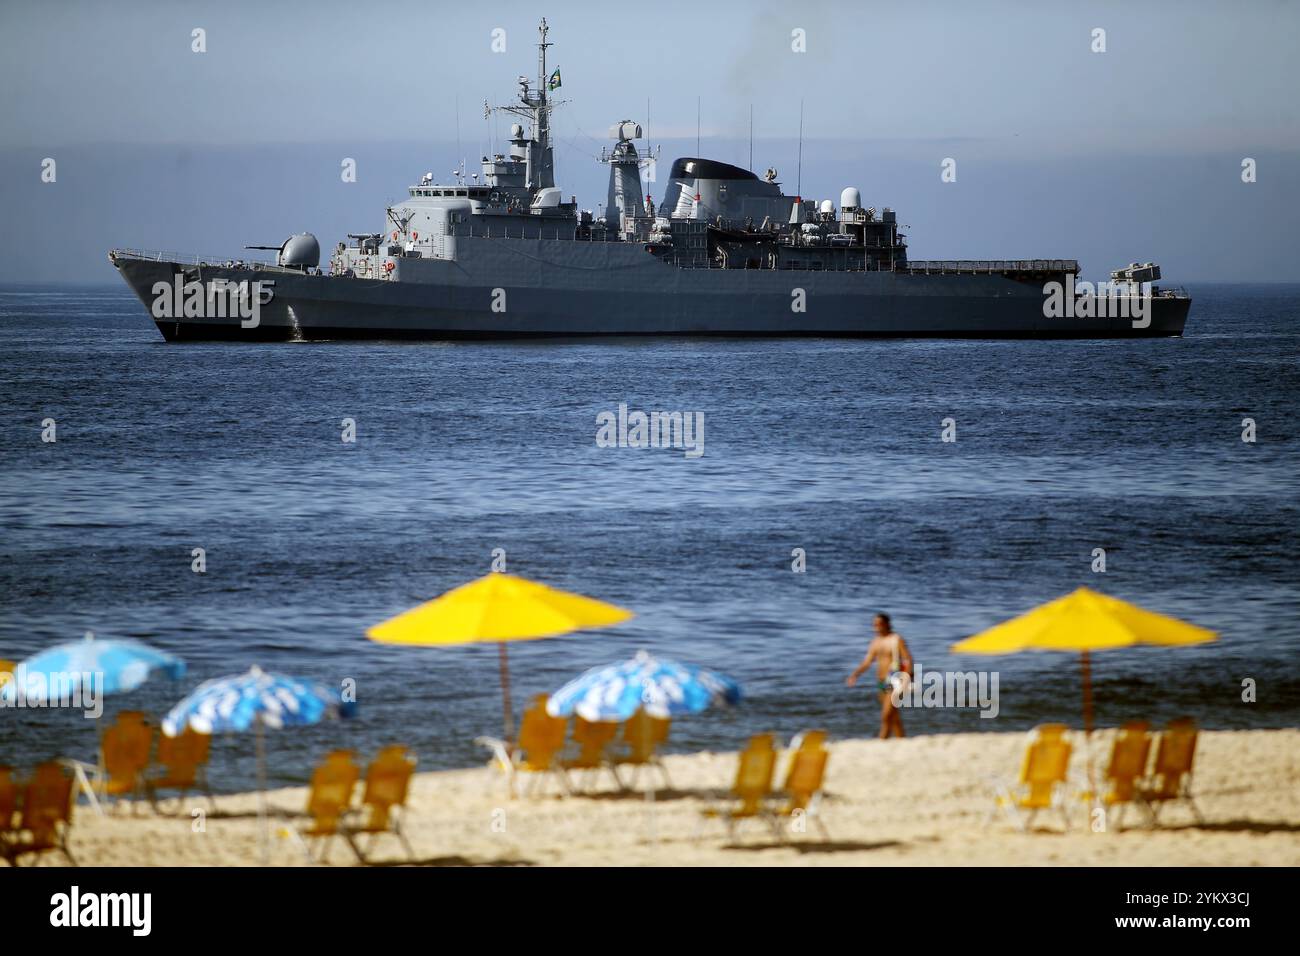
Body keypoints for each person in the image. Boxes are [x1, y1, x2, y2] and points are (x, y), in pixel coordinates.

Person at [845, 612, 914, 739]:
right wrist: (855, 674)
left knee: (886, 715)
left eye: (879, 624)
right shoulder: (875, 642)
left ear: (887, 624)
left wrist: (907, 679)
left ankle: (882, 741)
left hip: (895, 681)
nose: (876, 627)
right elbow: (867, 662)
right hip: (882, 682)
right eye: (874, 624)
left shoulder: (896, 639)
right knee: (893, 717)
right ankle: (902, 740)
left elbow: (908, 659)